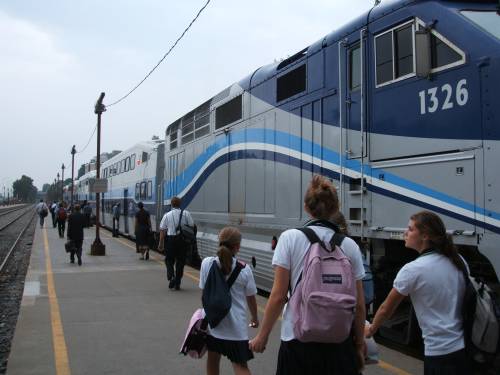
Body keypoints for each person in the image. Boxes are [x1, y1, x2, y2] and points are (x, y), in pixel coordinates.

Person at [249, 175, 366, 375]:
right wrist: (359, 343)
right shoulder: (349, 246)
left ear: (306, 207)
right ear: (336, 208)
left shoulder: (290, 238)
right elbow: (360, 304)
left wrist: (263, 336)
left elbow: (278, 296)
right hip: (339, 343)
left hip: (298, 341)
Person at [365, 211, 469, 375]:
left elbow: (386, 308)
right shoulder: (459, 260)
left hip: (437, 353)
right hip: (462, 349)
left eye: (410, 229)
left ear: (425, 236)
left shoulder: (413, 270)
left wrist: (370, 330)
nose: (405, 232)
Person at [199, 227, 259, 375]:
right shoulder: (245, 269)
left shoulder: (207, 263)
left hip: (214, 325)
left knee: (213, 361)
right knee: (240, 366)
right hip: (236, 330)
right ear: (237, 246)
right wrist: (255, 318)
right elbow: (251, 299)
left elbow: (205, 294)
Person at [158, 196, 194, 290]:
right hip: (182, 241)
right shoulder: (186, 213)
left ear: (171, 204)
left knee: (169, 260)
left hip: (171, 240)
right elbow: (192, 226)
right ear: (180, 204)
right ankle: (177, 282)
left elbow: (162, 230)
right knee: (180, 262)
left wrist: (161, 243)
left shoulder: (167, 215)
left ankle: (171, 276)